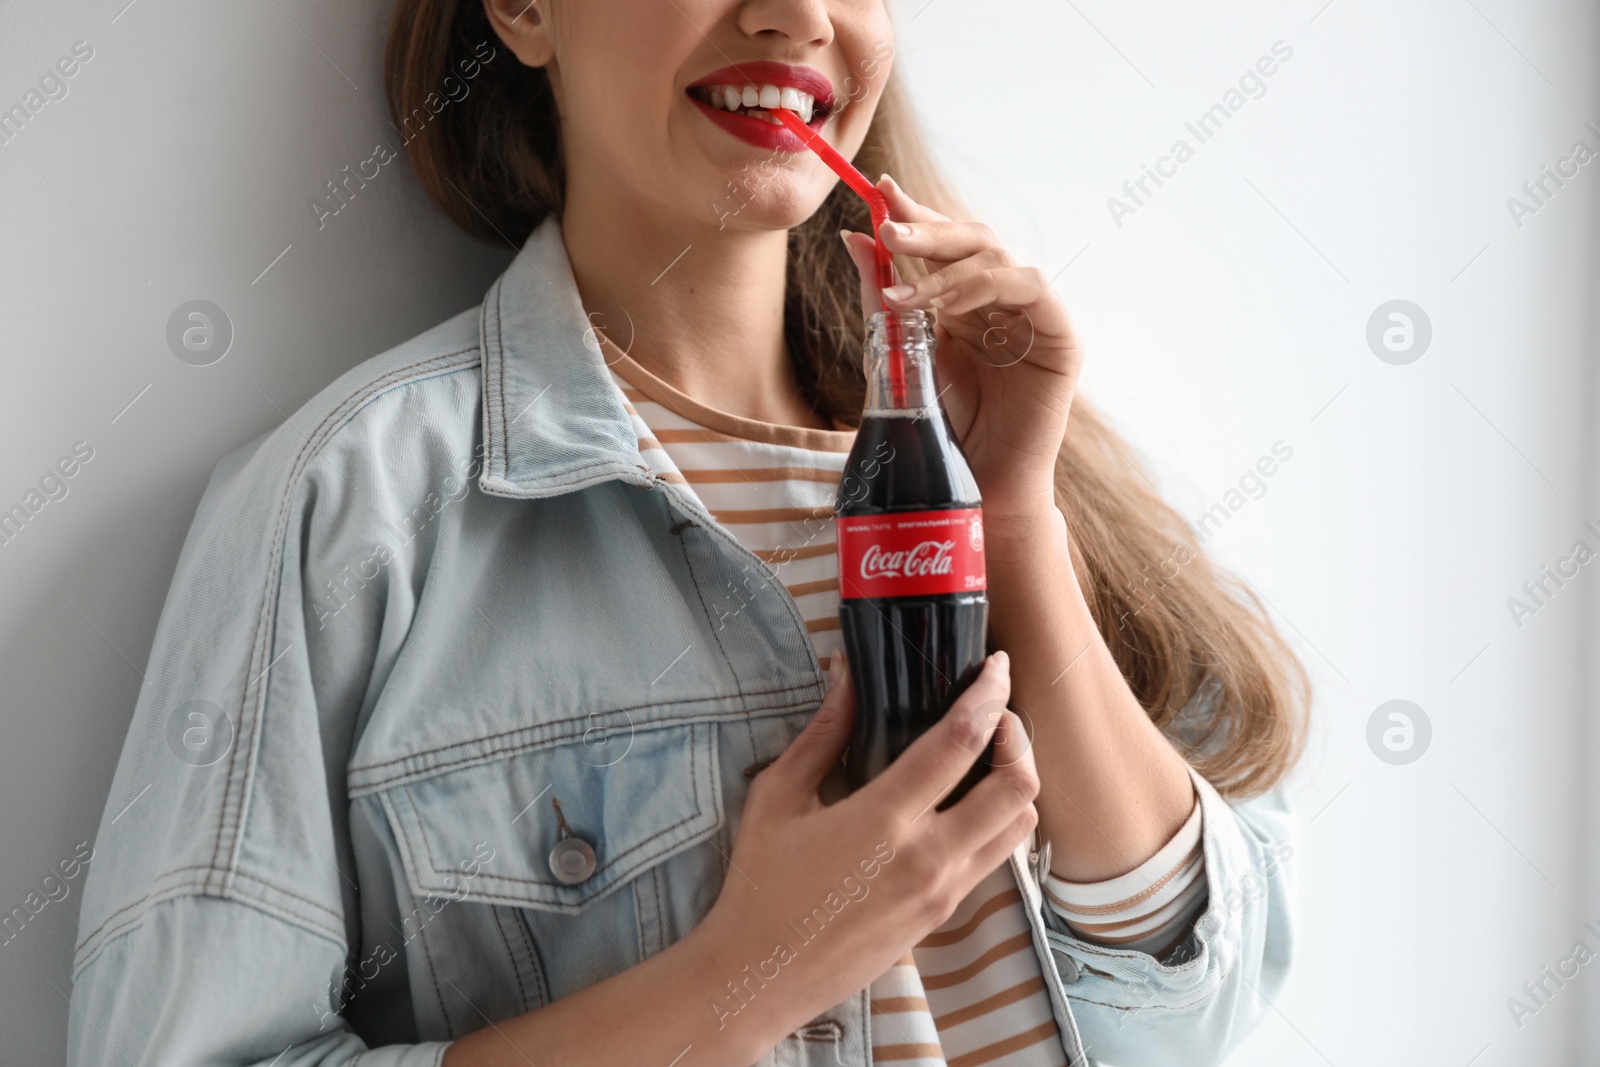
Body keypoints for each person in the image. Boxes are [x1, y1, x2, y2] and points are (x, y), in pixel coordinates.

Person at [68, 1, 1308, 1064]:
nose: (795, 12)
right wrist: (740, 981)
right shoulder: (349, 512)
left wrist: (1014, 515)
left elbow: (1192, 1004)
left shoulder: (1004, 461)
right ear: (524, 9)